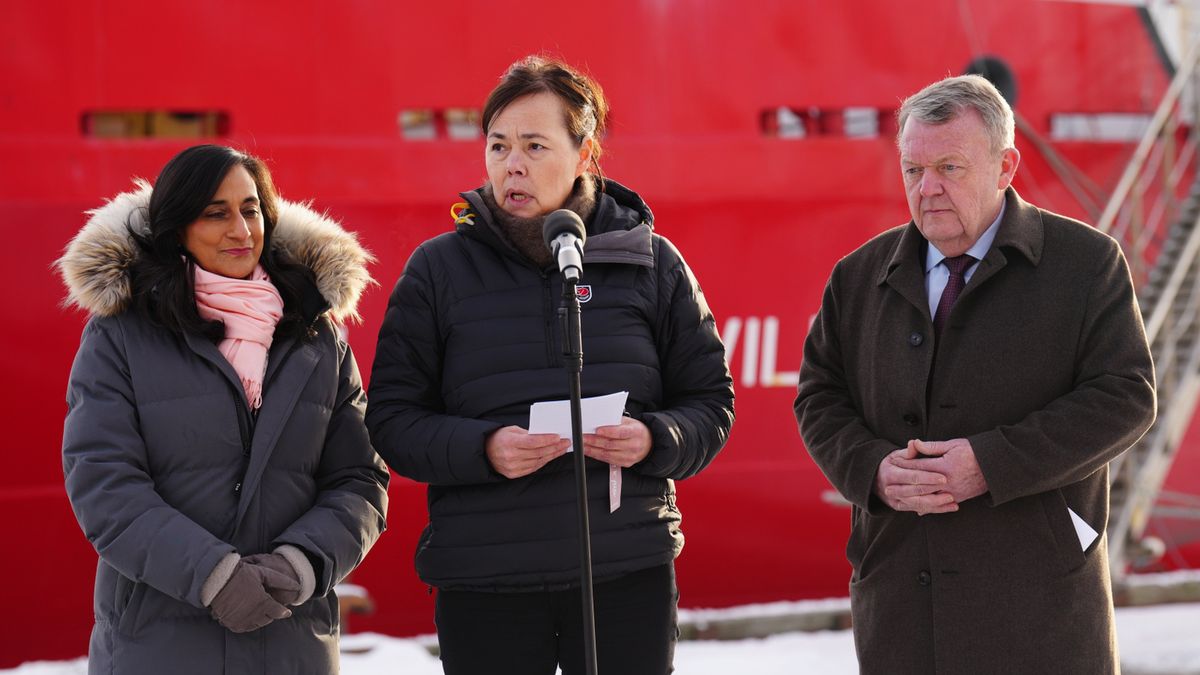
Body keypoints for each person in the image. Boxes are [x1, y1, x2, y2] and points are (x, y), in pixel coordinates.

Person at [366, 55, 734, 675]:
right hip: (486, 581)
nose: (513, 164)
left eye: (536, 145)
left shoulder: (650, 262)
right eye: (498, 145)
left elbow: (710, 401)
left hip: (624, 575)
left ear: (585, 153)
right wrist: (484, 448)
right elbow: (393, 420)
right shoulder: (437, 271)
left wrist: (654, 438)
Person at [794, 74, 1156, 674]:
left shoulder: (1086, 265)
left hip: (1037, 606)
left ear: (1006, 165)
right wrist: (872, 469)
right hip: (902, 603)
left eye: (950, 168)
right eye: (913, 170)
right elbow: (819, 397)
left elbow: (1125, 397)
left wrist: (988, 463)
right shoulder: (857, 276)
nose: (927, 188)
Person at [57, 144, 390, 674]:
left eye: (251, 209)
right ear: (177, 228)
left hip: (289, 643)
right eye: (216, 214)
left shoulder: (316, 335)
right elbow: (103, 482)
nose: (241, 230)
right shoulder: (120, 335)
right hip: (158, 646)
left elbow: (359, 478)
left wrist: (299, 566)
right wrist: (213, 576)